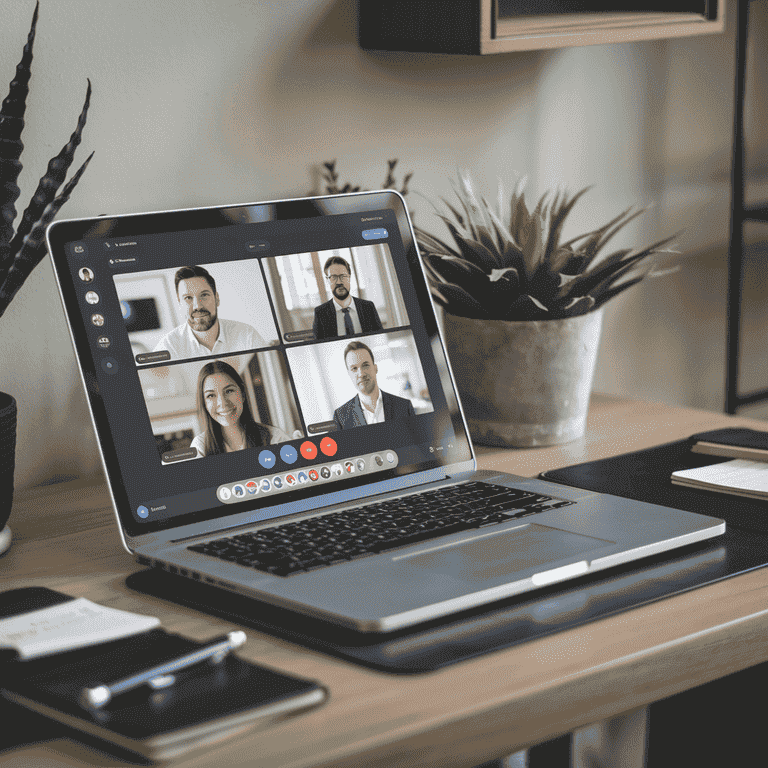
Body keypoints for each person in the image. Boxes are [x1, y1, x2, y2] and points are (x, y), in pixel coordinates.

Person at [154, 265, 267, 360]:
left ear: (217, 298)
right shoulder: (168, 346)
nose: (197, 305)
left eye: (204, 295)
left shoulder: (246, 335)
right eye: (188, 298)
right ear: (180, 303)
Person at [190, 360, 290, 457]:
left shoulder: (275, 438)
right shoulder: (200, 447)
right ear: (204, 403)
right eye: (211, 395)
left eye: (229, 391)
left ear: (242, 394)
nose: (223, 403)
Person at [333, 341, 415, 429]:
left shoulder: (404, 406)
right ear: (349, 374)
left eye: (365, 365)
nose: (361, 374)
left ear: (375, 368)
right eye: (354, 368)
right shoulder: (340, 417)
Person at [312, 255, 383, 340]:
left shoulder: (368, 307)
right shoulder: (320, 313)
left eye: (343, 276)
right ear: (328, 280)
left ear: (349, 277)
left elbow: (380, 337)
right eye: (333, 277)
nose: (339, 282)